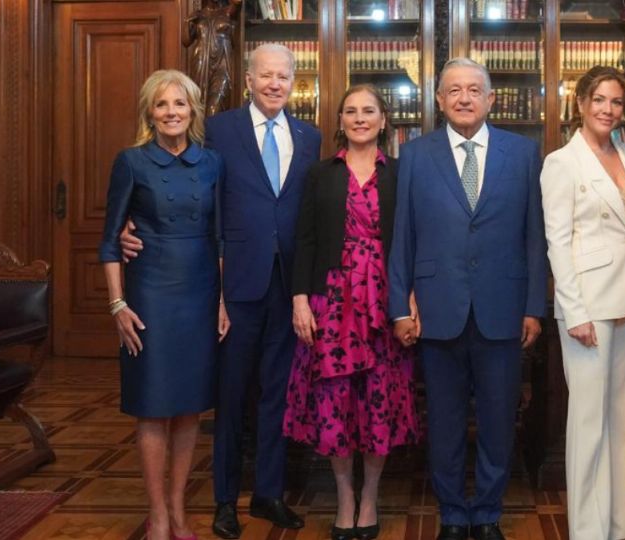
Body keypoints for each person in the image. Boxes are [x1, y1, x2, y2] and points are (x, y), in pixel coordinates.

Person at [120, 43, 322, 539]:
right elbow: (188, 185)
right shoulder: (220, 129)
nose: (275, 83)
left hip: (290, 283)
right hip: (232, 285)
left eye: (283, 76)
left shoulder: (309, 135)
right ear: (249, 79)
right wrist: (131, 221)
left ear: (294, 81)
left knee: (278, 392)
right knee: (231, 395)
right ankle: (225, 500)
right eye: (265, 75)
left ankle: (269, 493)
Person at [388, 58, 547, 540]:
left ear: (491, 99)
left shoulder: (523, 153)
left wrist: (534, 306)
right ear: (438, 100)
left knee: (499, 421)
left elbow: (534, 237)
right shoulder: (415, 155)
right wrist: (399, 306)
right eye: (453, 90)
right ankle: (454, 514)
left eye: (474, 90)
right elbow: (403, 237)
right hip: (437, 311)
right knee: (446, 423)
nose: (463, 97)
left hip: (503, 308)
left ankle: (489, 513)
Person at [284, 84, 421, 540]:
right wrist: (300, 298)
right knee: (335, 405)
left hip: (386, 305)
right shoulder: (320, 174)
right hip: (331, 304)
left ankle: (370, 497)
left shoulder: (402, 174)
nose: (360, 118)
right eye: (350, 111)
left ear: (384, 120)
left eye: (369, 111)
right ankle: (345, 497)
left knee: (379, 402)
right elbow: (303, 239)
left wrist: (412, 298)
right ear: (340, 121)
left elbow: (415, 243)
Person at [100, 69, 228, 540]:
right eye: (161, 105)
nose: (171, 112)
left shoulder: (213, 162)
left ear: (193, 110)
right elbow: (112, 241)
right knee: (153, 406)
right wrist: (117, 304)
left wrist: (223, 302)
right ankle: (156, 514)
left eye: (180, 104)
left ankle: (178, 510)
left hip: (200, 294)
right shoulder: (131, 162)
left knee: (191, 408)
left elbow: (220, 238)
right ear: (149, 113)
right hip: (150, 294)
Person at [541, 65, 625, 540]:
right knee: (588, 425)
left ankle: (619, 528)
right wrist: (574, 311)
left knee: (621, 425)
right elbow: (556, 243)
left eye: (616, 101)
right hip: (588, 307)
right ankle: (587, 531)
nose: (607, 109)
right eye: (598, 99)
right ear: (580, 104)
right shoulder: (562, 162)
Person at [183, 0, 242, 116]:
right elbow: (185, 41)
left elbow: (238, 3)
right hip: (201, 58)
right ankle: (198, 133)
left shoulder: (228, 11)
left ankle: (213, 132)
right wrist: (187, 21)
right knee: (197, 102)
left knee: (215, 105)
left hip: (222, 60)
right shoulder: (198, 15)